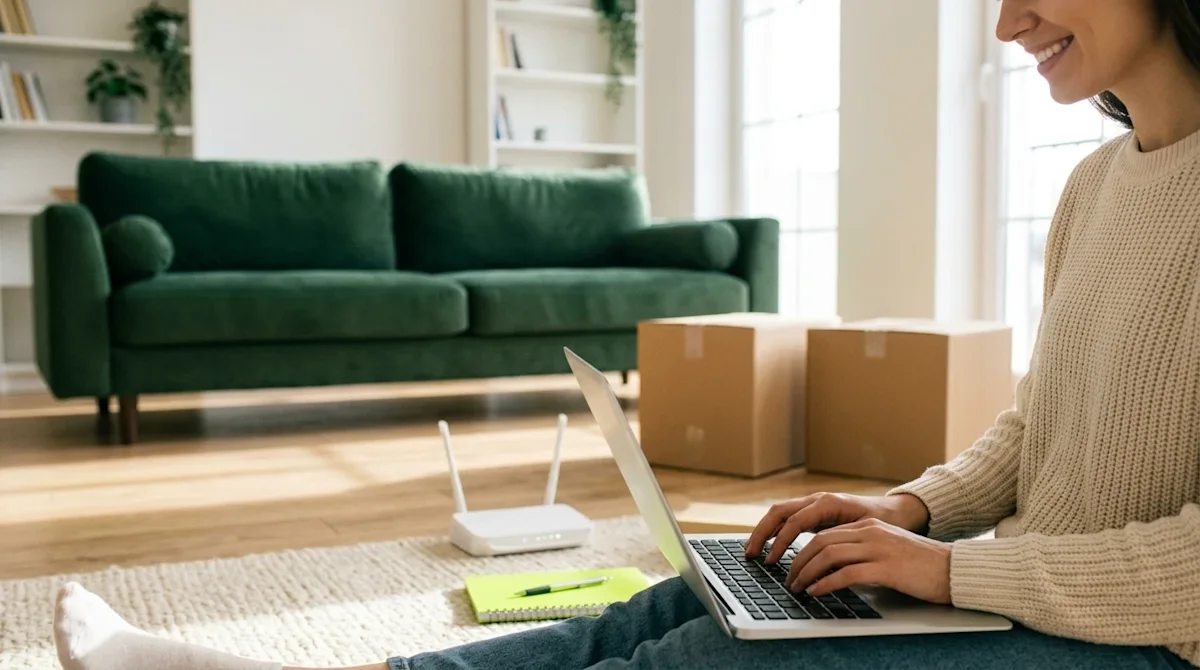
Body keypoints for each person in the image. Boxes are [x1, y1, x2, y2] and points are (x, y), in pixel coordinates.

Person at [51, 0, 1200, 668]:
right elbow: (1037, 425)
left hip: (1137, 639)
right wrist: (906, 511)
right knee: (685, 598)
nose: (1005, 23)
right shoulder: (1099, 184)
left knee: (710, 657)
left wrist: (953, 570)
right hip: (1032, 587)